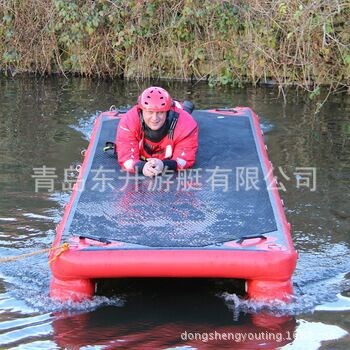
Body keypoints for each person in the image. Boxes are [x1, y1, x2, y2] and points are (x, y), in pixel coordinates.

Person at [116, 86, 198, 177]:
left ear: (167, 111)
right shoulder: (128, 122)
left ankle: (183, 106)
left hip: (177, 118)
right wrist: (141, 167)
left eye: (160, 112)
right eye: (150, 112)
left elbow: (184, 160)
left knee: (182, 110)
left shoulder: (187, 125)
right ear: (141, 110)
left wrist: (163, 166)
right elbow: (126, 158)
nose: (154, 118)